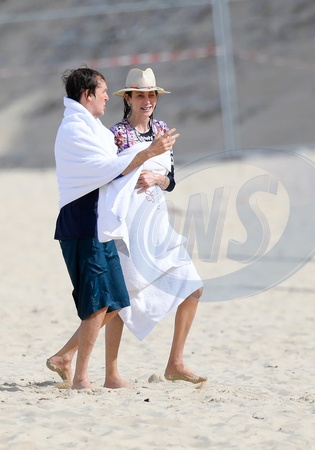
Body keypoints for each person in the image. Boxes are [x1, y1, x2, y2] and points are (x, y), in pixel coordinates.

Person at [48, 68, 207, 385]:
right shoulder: (115, 134)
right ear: (129, 99)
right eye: (141, 95)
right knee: (119, 300)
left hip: (157, 220)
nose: (148, 100)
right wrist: (140, 168)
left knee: (192, 286)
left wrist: (158, 178)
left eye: (152, 95)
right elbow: (110, 175)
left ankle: (175, 362)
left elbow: (171, 179)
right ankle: (105, 371)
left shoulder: (162, 130)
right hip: (125, 221)